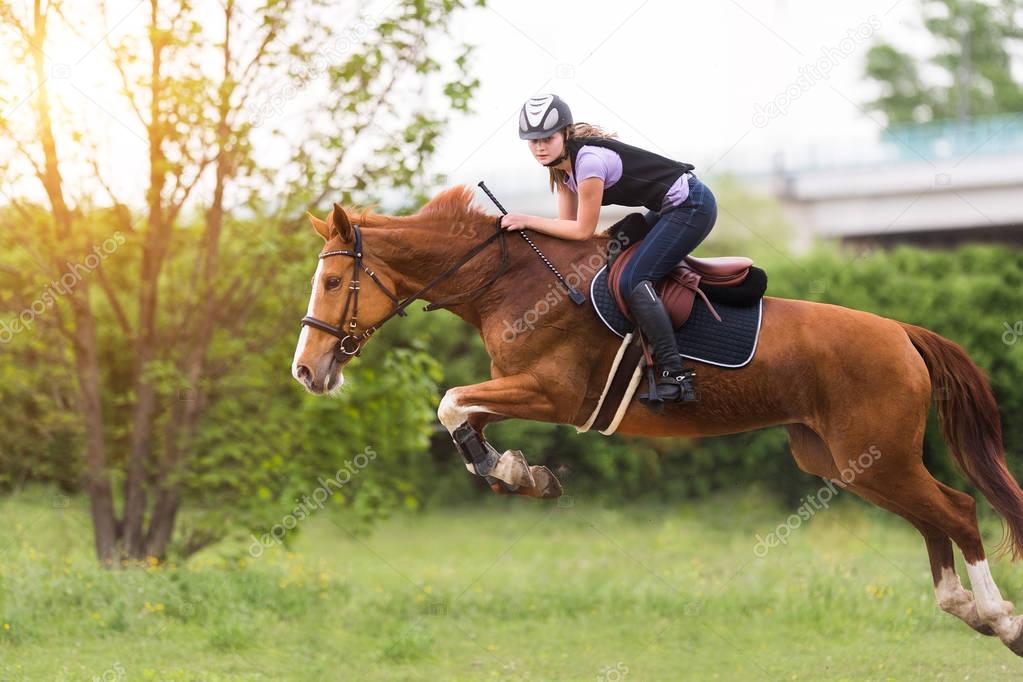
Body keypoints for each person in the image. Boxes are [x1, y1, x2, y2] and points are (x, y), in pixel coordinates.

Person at [501, 93, 718, 409]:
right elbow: (567, 227)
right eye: (532, 141)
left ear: (565, 133)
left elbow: (581, 230)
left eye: (546, 138)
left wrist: (525, 219)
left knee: (633, 280)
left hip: (691, 206)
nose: (539, 147)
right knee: (614, 259)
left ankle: (677, 375)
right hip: (667, 208)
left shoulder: (588, 163)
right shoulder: (561, 169)